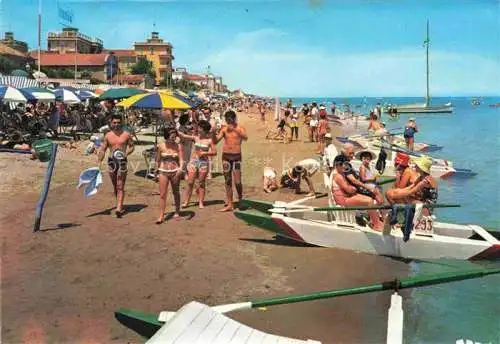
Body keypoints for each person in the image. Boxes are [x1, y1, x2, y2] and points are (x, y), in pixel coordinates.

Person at [330, 155, 384, 231]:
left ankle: (375, 221)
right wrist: (353, 189)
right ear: (338, 164)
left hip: (347, 196)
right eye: (345, 164)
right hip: (343, 200)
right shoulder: (338, 176)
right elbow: (348, 189)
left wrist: (352, 188)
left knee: (370, 199)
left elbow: (348, 187)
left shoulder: (339, 173)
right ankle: (377, 225)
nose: (346, 167)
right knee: (369, 201)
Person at [97, 114, 135, 218]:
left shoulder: (126, 135)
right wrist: (99, 162)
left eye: (118, 122)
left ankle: (118, 208)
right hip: (111, 161)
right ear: (111, 123)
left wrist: (126, 153)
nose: (116, 124)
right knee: (115, 185)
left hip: (122, 161)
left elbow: (132, 147)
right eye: (114, 122)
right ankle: (119, 204)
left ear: (121, 123)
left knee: (120, 185)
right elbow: (103, 149)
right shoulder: (108, 135)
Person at [213, 110, 248, 212]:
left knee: (237, 181)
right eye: (227, 120)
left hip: (237, 158)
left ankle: (240, 199)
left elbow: (245, 138)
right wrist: (212, 132)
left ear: (234, 118)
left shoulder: (240, 128)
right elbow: (215, 141)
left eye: (230, 119)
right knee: (227, 180)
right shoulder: (224, 129)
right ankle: (230, 203)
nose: (229, 122)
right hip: (226, 157)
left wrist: (235, 129)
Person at [180, 120, 217, 209]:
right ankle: (186, 201)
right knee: (190, 182)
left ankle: (201, 202)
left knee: (201, 183)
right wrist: (173, 126)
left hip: (203, 163)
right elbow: (183, 135)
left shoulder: (209, 140)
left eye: (200, 128)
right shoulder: (195, 137)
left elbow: (215, 152)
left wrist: (205, 154)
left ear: (204, 130)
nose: (198, 129)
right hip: (193, 162)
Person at [155, 127, 184, 224]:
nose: (174, 136)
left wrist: (180, 169)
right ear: (167, 135)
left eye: (175, 134)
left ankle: (177, 211)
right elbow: (158, 159)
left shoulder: (178, 146)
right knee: (162, 194)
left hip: (175, 171)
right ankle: (161, 215)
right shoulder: (161, 145)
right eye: (172, 134)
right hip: (163, 171)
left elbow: (181, 159)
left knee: (176, 192)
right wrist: (156, 171)